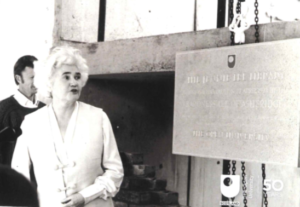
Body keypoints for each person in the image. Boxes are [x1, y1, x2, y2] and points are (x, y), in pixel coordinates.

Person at [12, 46, 124, 207]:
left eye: (77, 77)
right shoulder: (31, 123)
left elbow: (115, 171)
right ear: (49, 83)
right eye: (66, 77)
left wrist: (84, 196)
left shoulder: (99, 118)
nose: (74, 82)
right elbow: (19, 178)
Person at [0, 55, 45, 166]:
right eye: (32, 77)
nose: (38, 81)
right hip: (11, 180)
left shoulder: (46, 109)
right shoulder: (3, 109)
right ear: (19, 79)